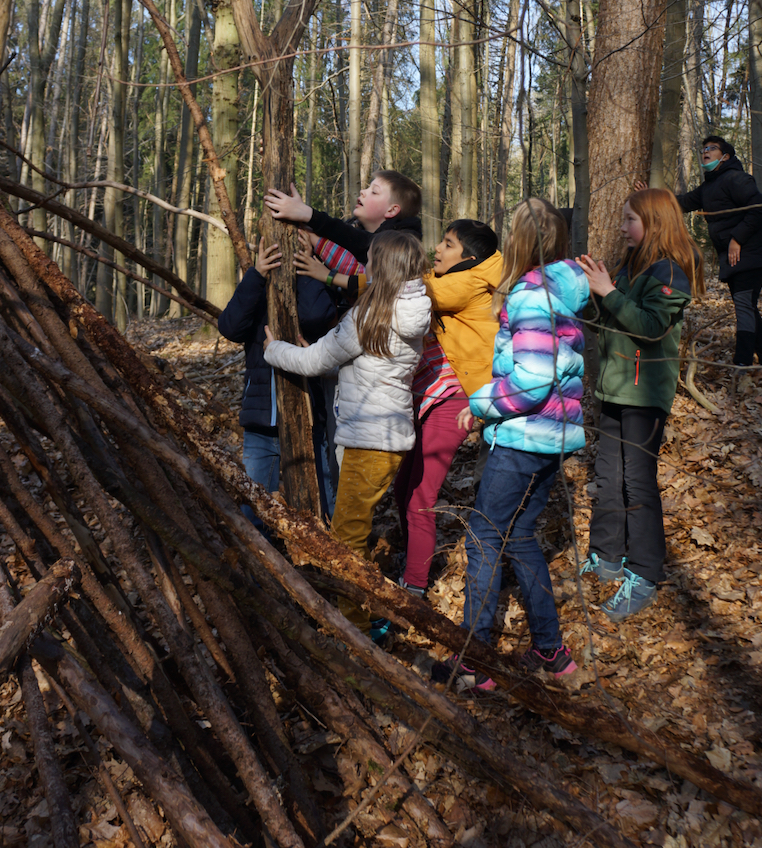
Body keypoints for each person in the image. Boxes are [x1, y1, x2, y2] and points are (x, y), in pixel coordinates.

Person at [432, 200, 590, 691]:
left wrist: (481, 405)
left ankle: (473, 662)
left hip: (526, 439)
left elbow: (533, 380)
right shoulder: (564, 286)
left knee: (482, 540)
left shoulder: (529, 293)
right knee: (518, 535)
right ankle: (552, 652)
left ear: (519, 241)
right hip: (552, 437)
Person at [299, 219, 503, 597]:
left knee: (420, 499)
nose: (437, 249)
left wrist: (325, 261)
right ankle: (412, 565)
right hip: (428, 396)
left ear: (469, 257)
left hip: (452, 398)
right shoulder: (430, 289)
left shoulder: (462, 284)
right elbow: (374, 272)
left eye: (447, 244)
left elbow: (376, 277)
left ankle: (415, 588)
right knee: (405, 492)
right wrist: (319, 246)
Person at [263, 232, 431, 639]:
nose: (365, 265)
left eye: (370, 259)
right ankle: (361, 611)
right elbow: (367, 363)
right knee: (355, 529)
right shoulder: (408, 309)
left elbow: (318, 360)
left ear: (382, 267)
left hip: (367, 440)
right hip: (386, 436)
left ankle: (352, 626)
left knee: (347, 537)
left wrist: (275, 349)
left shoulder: (368, 316)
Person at [577, 188, 704, 620]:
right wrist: (596, 294)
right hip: (614, 388)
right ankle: (606, 556)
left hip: (644, 394)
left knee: (638, 482)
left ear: (654, 221)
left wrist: (609, 291)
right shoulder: (634, 267)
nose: (622, 227)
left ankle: (646, 573)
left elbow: (650, 327)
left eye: (629, 219)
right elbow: (610, 325)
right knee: (609, 475)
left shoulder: (670, 271)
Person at [217, 238, 337, 522]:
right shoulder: (257, 290)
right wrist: (256, 274)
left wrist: (307, 274)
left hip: (308, 418)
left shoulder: (316, 288)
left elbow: (318, 317)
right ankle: (262, 557)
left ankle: (327, 557)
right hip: (261, 422)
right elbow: (230, 327)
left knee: (322, 501)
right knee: (254, 504)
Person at [670, 136, 762, 367]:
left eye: (711, 148)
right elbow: (683, 202)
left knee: (744, 306)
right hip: (736, 259)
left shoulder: (737, 178)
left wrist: (737, 239)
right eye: (703, 149)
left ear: (725, 156)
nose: (705, 152)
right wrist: (651, 195)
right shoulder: (709, 187)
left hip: (752, 254)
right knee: (747, 307)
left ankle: (741, 365)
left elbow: (758, 209)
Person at [263, 170, 422, 265]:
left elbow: (364, 243)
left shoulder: (405, 244)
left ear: (392, 210)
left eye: (374, 191)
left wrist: (308, 214)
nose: (363, 192)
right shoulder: (354, 229)